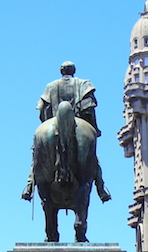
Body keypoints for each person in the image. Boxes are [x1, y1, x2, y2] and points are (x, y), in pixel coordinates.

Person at [22, 61, 111, 202]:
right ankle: (101, 188)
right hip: (79, 124)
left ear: (61, 71)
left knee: (36, 157)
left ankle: (29, 186)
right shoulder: (84, 84)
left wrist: (46, 123)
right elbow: (89, 109)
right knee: (93, 159)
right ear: (73, 71)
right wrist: (94, 128)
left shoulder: (50, 86)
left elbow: (43, 110)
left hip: (52, 124)